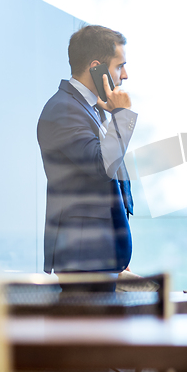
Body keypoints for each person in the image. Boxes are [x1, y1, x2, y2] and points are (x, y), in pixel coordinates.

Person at [37, 25, 137, 285]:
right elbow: (102, 165)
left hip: (99, 259)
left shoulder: (90, 109)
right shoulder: (64, 110)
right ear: (97, 67)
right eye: (119, 66)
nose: (124, 75)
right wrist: (122, 116)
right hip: (84, 260)